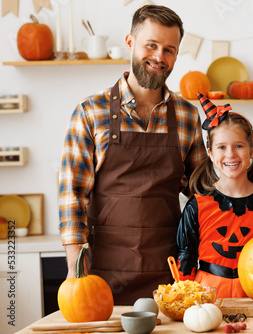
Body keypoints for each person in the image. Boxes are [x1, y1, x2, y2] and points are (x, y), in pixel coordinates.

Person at [58, 5, 207, 305]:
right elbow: (72, 196)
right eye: (151, 45)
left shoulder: (188, 116)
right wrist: (76, 272)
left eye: (169, 50)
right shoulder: (90, 112)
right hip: (102, 275)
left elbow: (202, 194)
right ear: (130, 43)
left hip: (170, 275)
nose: (159, 57)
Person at [176, 93, 253, 298]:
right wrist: (185, 297)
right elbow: (186, 254)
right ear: (211, 153)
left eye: (238, 146)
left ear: (252, 150)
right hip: (206, 294)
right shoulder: (197, 204)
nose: (230, 154)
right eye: (222, 147)